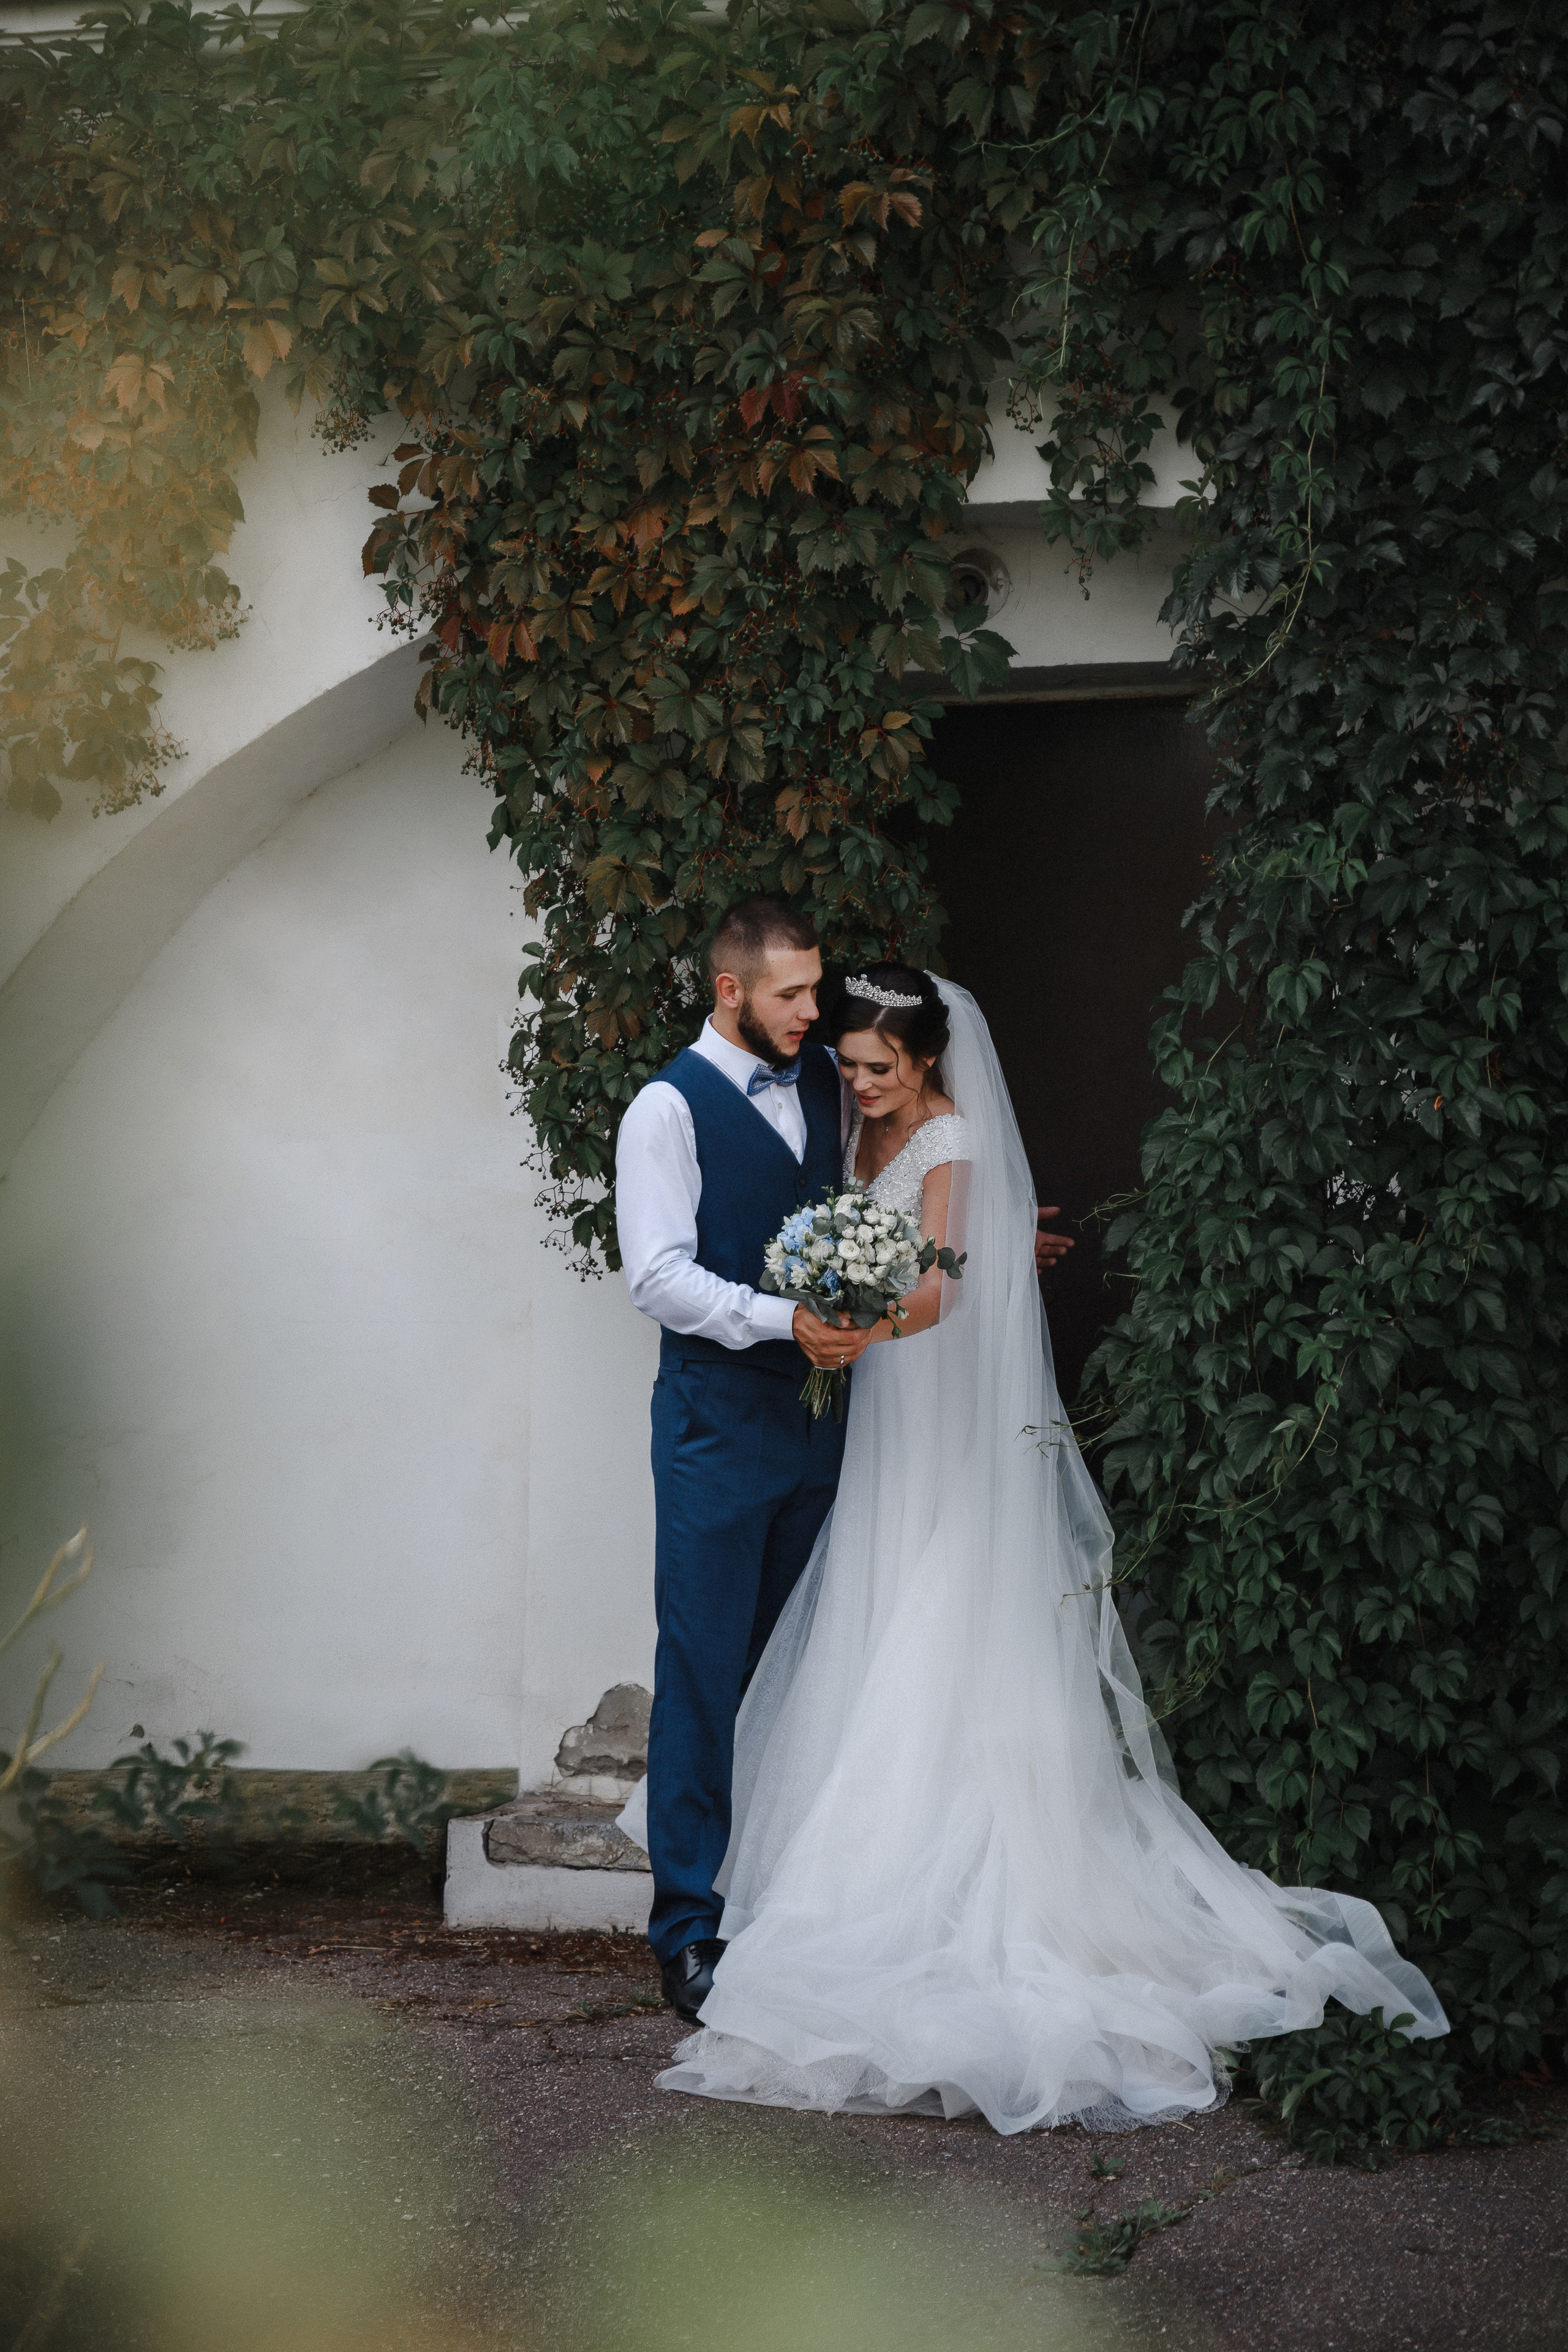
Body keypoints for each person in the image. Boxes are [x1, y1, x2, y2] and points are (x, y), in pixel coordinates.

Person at [631, 965, 1447, 2135]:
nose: (855, 1084)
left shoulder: (950, 1134)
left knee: (928, 1597)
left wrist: (864, 1309)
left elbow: (942, 1282)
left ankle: (922, 1871)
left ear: (927, 1065)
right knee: (848, 1600)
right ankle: (772, 1884)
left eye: (879, 1070)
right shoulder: (817, 1108)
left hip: (913, 1393)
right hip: (864, 1414)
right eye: (848, 1065)